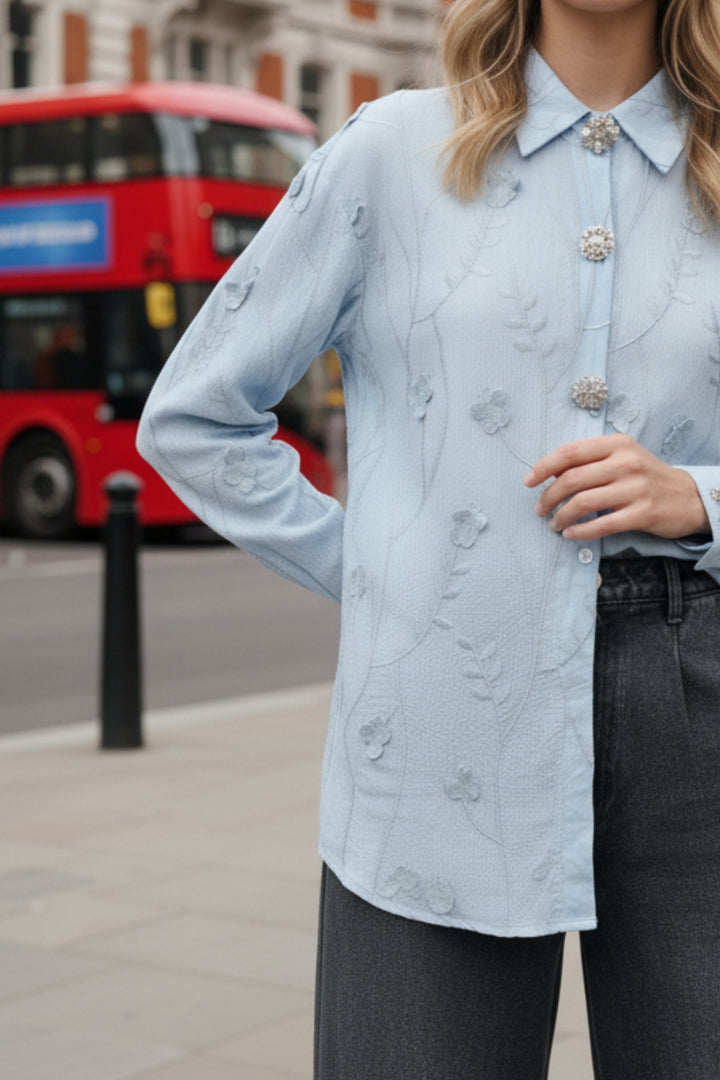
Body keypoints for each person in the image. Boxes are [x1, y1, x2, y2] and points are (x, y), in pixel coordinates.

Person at [136, 0, 720, 1075]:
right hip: (436, 732)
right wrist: (382, 568)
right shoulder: (392, 152)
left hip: (702, 710)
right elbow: (195, 417)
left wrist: (704, 499)